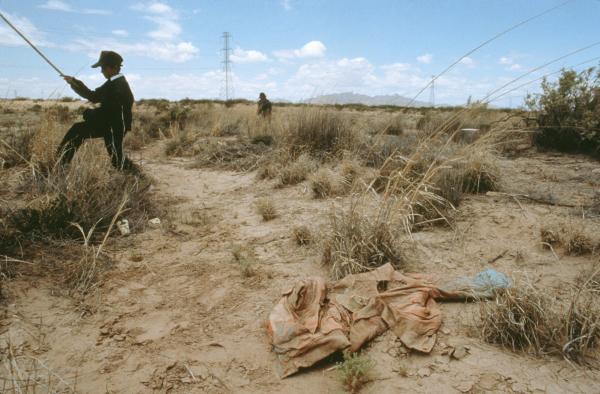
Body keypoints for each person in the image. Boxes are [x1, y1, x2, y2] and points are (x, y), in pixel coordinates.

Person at [57, 50, 135, 171]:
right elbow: (93, 96)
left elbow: (111, 109)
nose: (101, 71)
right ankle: (60, 164)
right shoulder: (113, 82)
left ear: (114, 68)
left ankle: (60, 164)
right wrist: (74, 82)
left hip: (115, 126)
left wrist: (91, 114)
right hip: (110, 124)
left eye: (103, 68)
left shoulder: (119, 85)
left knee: (117, 160)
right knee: (77, 131)